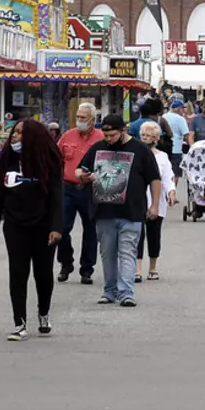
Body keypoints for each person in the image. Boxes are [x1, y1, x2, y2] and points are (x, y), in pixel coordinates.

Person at [0, 119, 63, 341]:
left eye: (20, 133)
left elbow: (57, 198)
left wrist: (56, 227)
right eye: (14, 133)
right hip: (15, 225)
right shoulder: (6, 160)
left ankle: (44, 313)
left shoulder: (48, 162)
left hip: (44, 226)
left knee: (43, 274)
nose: (15, 137)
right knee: (18, 274)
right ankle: (19, 323)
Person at [76, 114, 161, 307]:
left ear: (123, 131)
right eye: (106, 135)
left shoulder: (140, 149)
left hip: (132, 212)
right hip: (103, 211)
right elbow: (79, 170)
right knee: (107, 253)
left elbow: (155, 179)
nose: (108, 139)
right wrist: (84, 176)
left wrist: (154, 205)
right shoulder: (98, 148)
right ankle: (109, 291)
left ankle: (126, 292)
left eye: (112, 135)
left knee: (128, 252)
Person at [56, 103, 104, 284]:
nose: (79, 121)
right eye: (78, 117)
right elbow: (56, 159)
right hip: (67, 188)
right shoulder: (68, 136)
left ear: (92, 120)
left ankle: (87, 269)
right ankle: (66, 262)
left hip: (90, 189)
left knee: (90, 230)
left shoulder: (100, 138)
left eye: (83, 118)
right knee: (61, 228)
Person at [135, 122, 176, 282]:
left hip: (156, 199)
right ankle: (137, 268)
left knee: (154, 235)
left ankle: (153, 267)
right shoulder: (136, 153)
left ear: (157, 139)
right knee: (136, 235)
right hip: (137, 199)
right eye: (144, 135)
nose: (146, 138)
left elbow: (167, 177)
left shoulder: (162, 157)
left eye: (151, 136)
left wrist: (171, 191)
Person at [162, 100, 190, 185]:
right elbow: (186, 135)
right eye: (182, 109)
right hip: (176, 149)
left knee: (164, 173)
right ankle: (172, 194)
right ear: (177, 109)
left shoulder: (164, 116)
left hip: (164, 148)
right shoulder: (180, 119)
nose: (183, 111)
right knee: (175, 173)